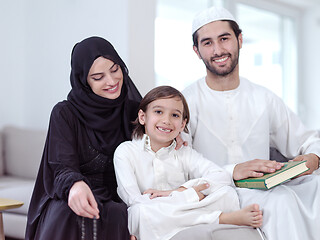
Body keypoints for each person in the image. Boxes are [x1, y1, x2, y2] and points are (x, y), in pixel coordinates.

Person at [182, 6, 320, 240]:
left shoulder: (263, 97)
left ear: (240, 40)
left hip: (266, 186)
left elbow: (307, 140)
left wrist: (312, 158)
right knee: (281, 201)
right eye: (207, 43)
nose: (218, 50)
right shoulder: (184, 102)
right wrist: (232, 172)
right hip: (219, 192)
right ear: (196, 51)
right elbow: (179, 165)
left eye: (224, 39)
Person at [25, 36, 142, 240]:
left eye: (115, 70)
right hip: (76, 196)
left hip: (121, 197)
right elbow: (61, 167)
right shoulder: (65, 113)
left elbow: (156, 143)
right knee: (65, 212)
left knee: (120, 212)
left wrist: (173, 139)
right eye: (98, 77)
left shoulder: (135, 111)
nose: (112, 81)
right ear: (83, 81)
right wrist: (75, 186)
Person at [113, 86, 263, 240]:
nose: (166, 120)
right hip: (155, 211)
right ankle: (221, 218)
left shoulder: (184, 153)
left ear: (183, 125)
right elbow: (133, 199)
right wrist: (188, 196)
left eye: (175, 115)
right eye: (158, 112)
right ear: (143, 117)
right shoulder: (125, 152)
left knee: (227, 193)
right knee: (139, 212)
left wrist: (182, 190)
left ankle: (180, 223)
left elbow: (221, 175)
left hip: (183, 209)